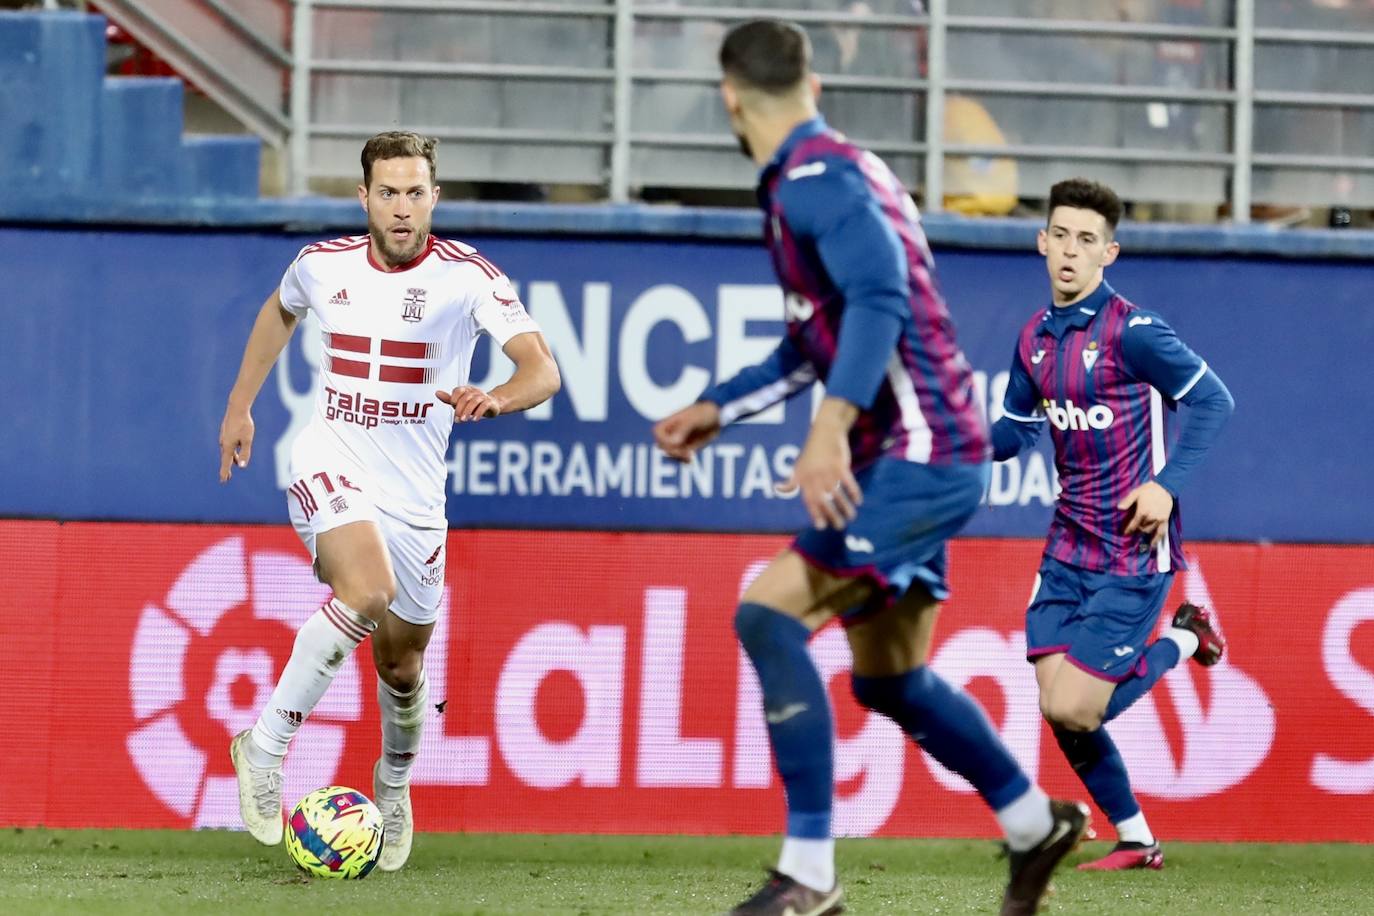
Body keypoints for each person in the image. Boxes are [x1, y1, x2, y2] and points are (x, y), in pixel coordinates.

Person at [653, 20, 1088, 916]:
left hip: (918, 451)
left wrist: (829, 431)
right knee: (888, 677)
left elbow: (882, 300)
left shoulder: (817, 181)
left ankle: (808, 874)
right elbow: (826, 329)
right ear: (812, 83)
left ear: (729, 96)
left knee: (768, 616)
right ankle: (1029, 822)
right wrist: (722, 406)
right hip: (928, 450)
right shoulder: (840, 171)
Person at [217, 130, 559, 871]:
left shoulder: (470, 279)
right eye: (388, 192)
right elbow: (280, 310)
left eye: (415, 193)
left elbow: (542, 371)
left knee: (402, 669)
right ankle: (264, 747)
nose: (402, 209)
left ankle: (393, 782)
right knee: (367, 590)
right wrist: (241, 405)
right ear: (364, 197)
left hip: (414, 494)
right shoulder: (321, 264)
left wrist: (496, 398)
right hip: (330, 457)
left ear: (435, 198)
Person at [991, 177, 1234, 872]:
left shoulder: (1134, 331)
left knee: (1076, 708)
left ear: (1109, 254)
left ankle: (1185, 639)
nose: (1071, 250)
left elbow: (1215, 402)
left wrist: (1165, 485)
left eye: (1086, 240)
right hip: (1066, 544)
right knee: (1055, 704)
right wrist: (955, 445)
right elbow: (1014, 435)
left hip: (1132, 550)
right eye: (1060, 235)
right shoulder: (1034, 338)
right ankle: (1136, 839)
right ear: (1042, 243)